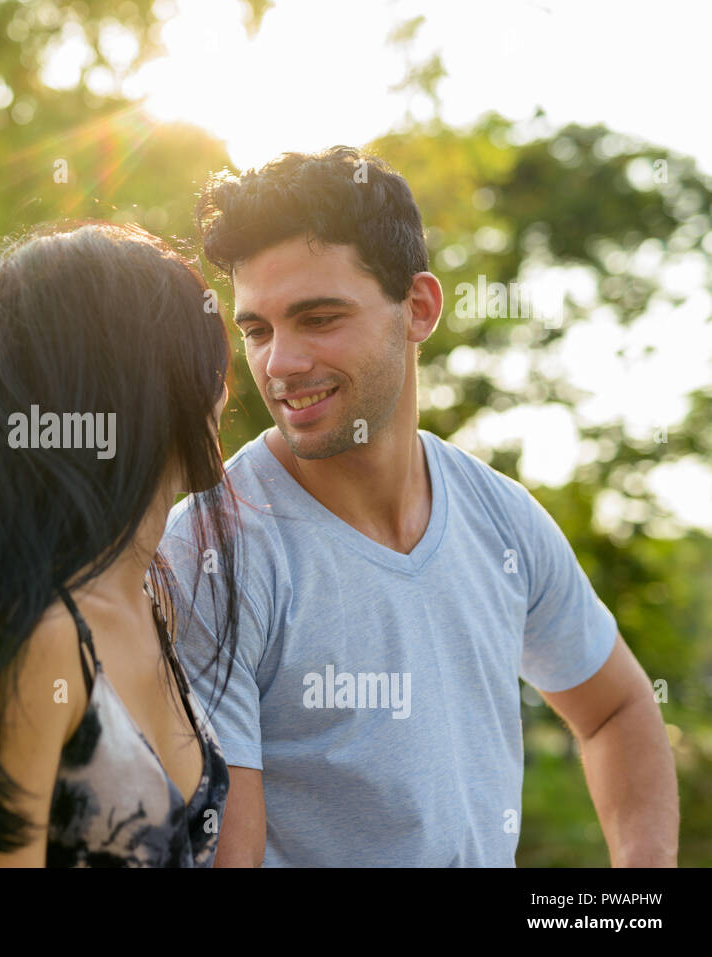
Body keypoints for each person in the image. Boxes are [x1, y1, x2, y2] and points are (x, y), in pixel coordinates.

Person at [162, 146, 679, 867]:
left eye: (318, 317)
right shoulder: (211, 550)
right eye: (258, 330)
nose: (279, 363)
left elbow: (618, 708)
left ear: (420, 308)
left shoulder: (502, 520)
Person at [0, 221, 241, 867]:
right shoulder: (33, 636)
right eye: (209, 362)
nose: (224, 389)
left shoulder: (149, 595)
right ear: (134, 388)